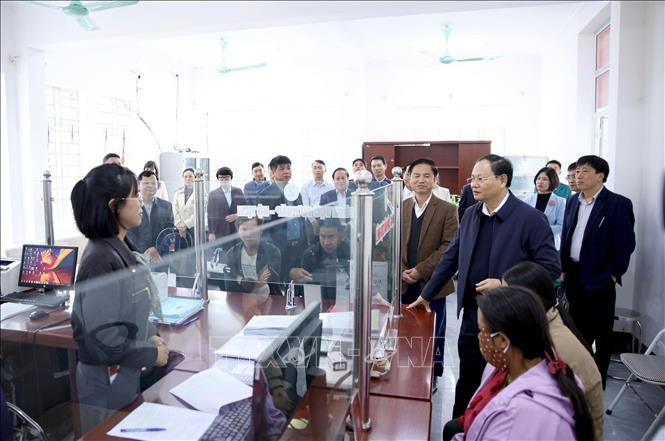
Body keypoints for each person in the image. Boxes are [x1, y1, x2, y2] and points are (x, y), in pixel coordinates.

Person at [408, 154, 560, 417]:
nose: (473, 185)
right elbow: (451, 257)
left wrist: (505, 283)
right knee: (468, 377)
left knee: (501, 384)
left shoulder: (530, 219)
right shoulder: (471, 214)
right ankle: (461, 426)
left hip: (511, 318)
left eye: (481, 178)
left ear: (502, 180)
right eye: (472, 179)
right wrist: (427, 294)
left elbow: (550, 268)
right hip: (473, 315)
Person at [70, 164, 169, 432]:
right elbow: (102, 339)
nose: (140, 202)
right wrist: (150, 353)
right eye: (135, 195)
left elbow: (128, 310)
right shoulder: (100, 259)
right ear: (114, 206)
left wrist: (149, 335)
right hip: (105, 379)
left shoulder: (121, 247)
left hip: (123, 372)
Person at [443, 286, 593, 441]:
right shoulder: (519, 367)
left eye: (481, 331)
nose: (480, 338)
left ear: (503, 340)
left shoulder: (518, 414)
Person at [503, 261, 604, 441]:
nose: (499, 305)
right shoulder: (541, 328)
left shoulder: (553, 346)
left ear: (527, 304)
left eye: (505, 298)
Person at [560, 155, 636, 387]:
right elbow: (567, 235)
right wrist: (563, 268)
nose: (578, 176)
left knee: (602, 333)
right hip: (573, 275)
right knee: (576, 330)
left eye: (584, 171)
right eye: (576, 171)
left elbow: (625, 244)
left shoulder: (617, 204)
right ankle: (576, 377)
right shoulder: (572, 201)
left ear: (600, 176)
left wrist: (612, 274)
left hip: (600, 277)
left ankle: (597, 380)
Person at [401, 158, 458, 377]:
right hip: (404, 282)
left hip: (433, 284)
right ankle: (407, 375)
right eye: (416, 175)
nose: (421, 180)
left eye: (427, 176)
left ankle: (432, 374)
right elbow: (390, 243)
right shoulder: (401, 207)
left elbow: (449, 247)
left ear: (435, 180)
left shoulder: (448, 209)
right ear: (408, 179)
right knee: (406, 331)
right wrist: (401, 271)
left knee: (433, 332)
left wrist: (420, 270)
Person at [256, 155, 311, 281]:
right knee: (280, 281)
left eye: (288, 168)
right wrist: (271, 249)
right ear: (273, 173)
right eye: (281, 169)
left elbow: (301, 219)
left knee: (299, 281)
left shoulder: (296, 193)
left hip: (298, 247)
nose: (286, 171)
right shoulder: (265, 195)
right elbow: (264, 228)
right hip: (278, 247)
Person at [289, 218, 350, 302]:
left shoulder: (351, 253)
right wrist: (294, 276)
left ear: (341, 235)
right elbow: (301, 290)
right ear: (318, 235)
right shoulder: (310, 254)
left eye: (331, 236)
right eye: (323, 236)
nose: (326, 242)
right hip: (316, 302)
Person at [222, 217, 282, 295]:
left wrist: (246, 282)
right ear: (238, 231)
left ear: (261, 231)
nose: (249, 234)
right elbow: (230, 287)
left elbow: (273, 283)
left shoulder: (272, 251)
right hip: (241, 299)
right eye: (244, 229)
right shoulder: (232, 253)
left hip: (269, 298)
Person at [126, 170, 174, 262]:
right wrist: (146, 254)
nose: (150, 186)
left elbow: (170, 232)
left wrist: (157, 249)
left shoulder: (166, 206)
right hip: (138, 257)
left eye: (153, 183)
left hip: (160, 257)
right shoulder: (131, 205)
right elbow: (129, 233)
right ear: (139, 185)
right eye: (146, 183)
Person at [525, 167, 566, 249]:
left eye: (545, 179)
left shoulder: (560, 201)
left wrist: (541, 229)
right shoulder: (528, 200)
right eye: (538, 178)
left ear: (552, 181)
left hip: (550, 244)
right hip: (530, 243)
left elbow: (561, 226)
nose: (540, 181)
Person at [207, 166, 245, 247]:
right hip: (220, 231)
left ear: (231, 178)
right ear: (218, 179)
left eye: (226, 177)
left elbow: (245, 209)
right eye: (221, 177)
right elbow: (210, 215)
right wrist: (211, 233)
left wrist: (237, 215)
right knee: (223, 253)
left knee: (237, 252)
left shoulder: (238, 191)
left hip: (237, 230)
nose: (224, 180)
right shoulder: (213, 194)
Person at [171, 168, 197, 248]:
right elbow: (175, 210)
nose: (188, 179)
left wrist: (185, 225)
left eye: (190, 176)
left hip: (193, 228)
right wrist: (180, 226)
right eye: (185, 177)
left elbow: (199, 212)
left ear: (195, 178)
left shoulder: (200, 192)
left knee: (192, 251)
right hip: (179, 229)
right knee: (179, 251)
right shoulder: (178, 193)